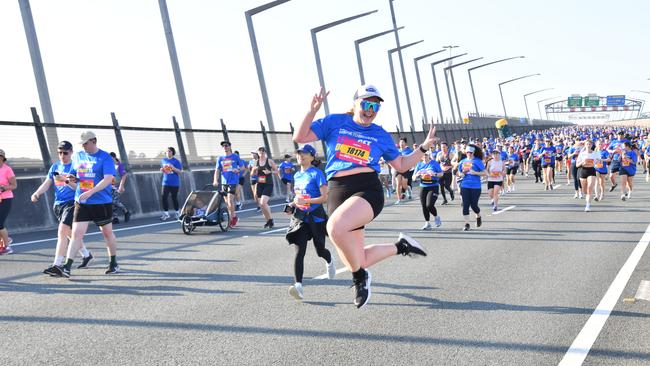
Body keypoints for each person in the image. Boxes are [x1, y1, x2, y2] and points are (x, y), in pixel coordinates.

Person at [293, 85, 433, 308]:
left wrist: (423, 149)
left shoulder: (379, 134)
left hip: (367, 188)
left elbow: (401, 164)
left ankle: (360, 278)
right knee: (358, 260)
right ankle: (401, 246)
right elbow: (300, 136)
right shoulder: (334, 122)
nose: (370, 109)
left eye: (375, 106)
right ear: (355, 103)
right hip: (337, 188)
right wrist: (312, 110)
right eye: (366, 104)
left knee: (335, 228)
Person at [61, 131, 120, 277]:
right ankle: (67, 267)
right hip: (82, 201)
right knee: (76, 234)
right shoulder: (78, 156)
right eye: (82, 144)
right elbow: (74, 173)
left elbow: (108, 179)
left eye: (86, 143)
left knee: (107, 233)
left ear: (94, 141)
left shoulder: (105, 157)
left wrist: (91, 192)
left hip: (101, 201)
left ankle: (113, 263)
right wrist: (71, 177)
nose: (84, 146)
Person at [31, 141, 94, 274]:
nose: (62, 155)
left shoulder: (79, 166)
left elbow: (84, 188)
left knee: (62, 232)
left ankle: (57, 265)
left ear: (71, 152)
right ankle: (86, 255)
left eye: (65, 152)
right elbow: (47, 183)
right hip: (58, 205)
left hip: (73, 203)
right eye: (59, 153)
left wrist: (66, 181)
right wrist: (37, 193)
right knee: (71, 233)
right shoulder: (55, 166)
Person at [285, 144, 336, 300]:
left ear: (312, 157)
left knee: (320, 251)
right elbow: (298, 196)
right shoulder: (296, 175)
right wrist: (292, 204)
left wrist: (307, 201)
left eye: (305, 153)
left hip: (316, 217)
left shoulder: (317, 173)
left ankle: (329, 260)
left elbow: (324, 197)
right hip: (300, 218)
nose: (300, 155)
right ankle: (298, 286)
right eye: (299, 153)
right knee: (299, 252)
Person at [456, 144, 486, 231]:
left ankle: (478, 216)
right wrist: (461, 174)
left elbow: (485, 173)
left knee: (474, 206)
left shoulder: (478, 161)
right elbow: (459, 172)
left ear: (473, 153)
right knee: (465, 205)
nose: (469, 154)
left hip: (475, 186)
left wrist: (476, 173)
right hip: (465, 185)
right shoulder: (463, 161)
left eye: (470, 152)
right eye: (467, 152)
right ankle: (467, 224)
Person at [214, 141, 243, 228]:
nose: (225, 147)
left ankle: (231, 221)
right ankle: (234, 217)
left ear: (230, 147)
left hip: (233, 181)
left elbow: (242, 167)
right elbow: (217, 170)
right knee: (227, 203)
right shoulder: (220, 158)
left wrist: (237, 170)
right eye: (223, 146)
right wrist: (215, 180)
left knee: (230, 201)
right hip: (224, 182)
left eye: (226, 146)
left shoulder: (235, 156)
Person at [413, 150, 443, 230]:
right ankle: (427, 223)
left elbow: (441, 174)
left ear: (429, 155)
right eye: (423, 155)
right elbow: (413, 177)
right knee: (424, 206)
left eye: (426, 155)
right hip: (423, 186)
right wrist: (417, 175)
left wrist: (434, 174)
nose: (424, 156)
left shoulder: (434, 163)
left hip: (433, 186)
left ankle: (436, 217)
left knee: (429, 205)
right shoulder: (419, 164)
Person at [251, 146, 279, 228]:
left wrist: (269, 172)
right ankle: (268, 221)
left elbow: (277, 171)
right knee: (261, 205)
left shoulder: (269, 161)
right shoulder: (256, 162)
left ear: (265, 153)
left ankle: (270, 219)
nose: (261, 153)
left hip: (268, 184)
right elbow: (252, 174)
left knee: (263, 203)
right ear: (258, 153)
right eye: (260, 152)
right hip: (260, 184)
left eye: (263, 152)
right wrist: (253, 170)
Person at [0, 149, 17, 255]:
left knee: (0, 223)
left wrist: (3, 188)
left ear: (2, 157)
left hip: (6, 199)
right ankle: (4, 241)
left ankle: (7, 247)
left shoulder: (7, 169)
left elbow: (14, 185)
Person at [160, 147, 183, 221]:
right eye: (166, 151)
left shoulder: (176, 161)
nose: (168, 152)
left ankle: (177, 213)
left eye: (169, 151)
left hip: (174, 183)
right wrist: (162, 170)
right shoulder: (163, 160)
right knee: (164, 197)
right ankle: (166, 214)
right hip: (165, 182)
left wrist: (173, 168)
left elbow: (180, 171)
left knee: (174, 198)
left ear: (172, 152)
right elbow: (164, 169)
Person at [576, 141, 598, 212]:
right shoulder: (582, 154)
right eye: (587, 144)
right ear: (585, 145)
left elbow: (598, 163)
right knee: (585, 190)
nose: (588, 145)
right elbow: (577, 165)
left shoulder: (595, 154)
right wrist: (583, 162)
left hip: (591, 170)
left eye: (590, 144)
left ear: (592, 145)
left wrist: (597, 162)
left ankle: (587, 205)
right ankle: (586, 195)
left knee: (590, 188)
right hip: (583, 171)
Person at [109, 152, 130, 224]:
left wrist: (121, 185)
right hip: (111, 186)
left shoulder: (119, 165)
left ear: (114, 157)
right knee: (111, 202)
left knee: (114, 201)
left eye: (111, 158)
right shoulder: (110, 166)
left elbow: (124, 175)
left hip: (117, 186)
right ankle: (115, 218)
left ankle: (126, 211)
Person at [394, 137, 414, 204]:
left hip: (405, 169)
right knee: (398, 184)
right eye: (400, 142)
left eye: (403, 142)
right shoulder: (397, 151)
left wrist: (411, 166)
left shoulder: (409, 151)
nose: (401, 143)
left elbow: (412, 159)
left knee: (404, 185)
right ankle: (399, 199)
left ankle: (408, 189)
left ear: (405, 143)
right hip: (398, 169)